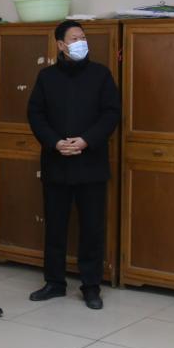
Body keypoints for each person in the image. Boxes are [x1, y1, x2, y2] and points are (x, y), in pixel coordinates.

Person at [26, 20, 121, 310]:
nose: (81, 42)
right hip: (57, 162)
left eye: (83, 37)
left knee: (92, 228)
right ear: (61, 45)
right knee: (55, 227)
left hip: (91, 163)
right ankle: (54, 282)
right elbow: (36, 114)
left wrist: (86, 140)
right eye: (74, 38)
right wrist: (55, 142)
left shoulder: (101, 75)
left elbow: (111, 113)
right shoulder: (47, 77)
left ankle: (91, 286)